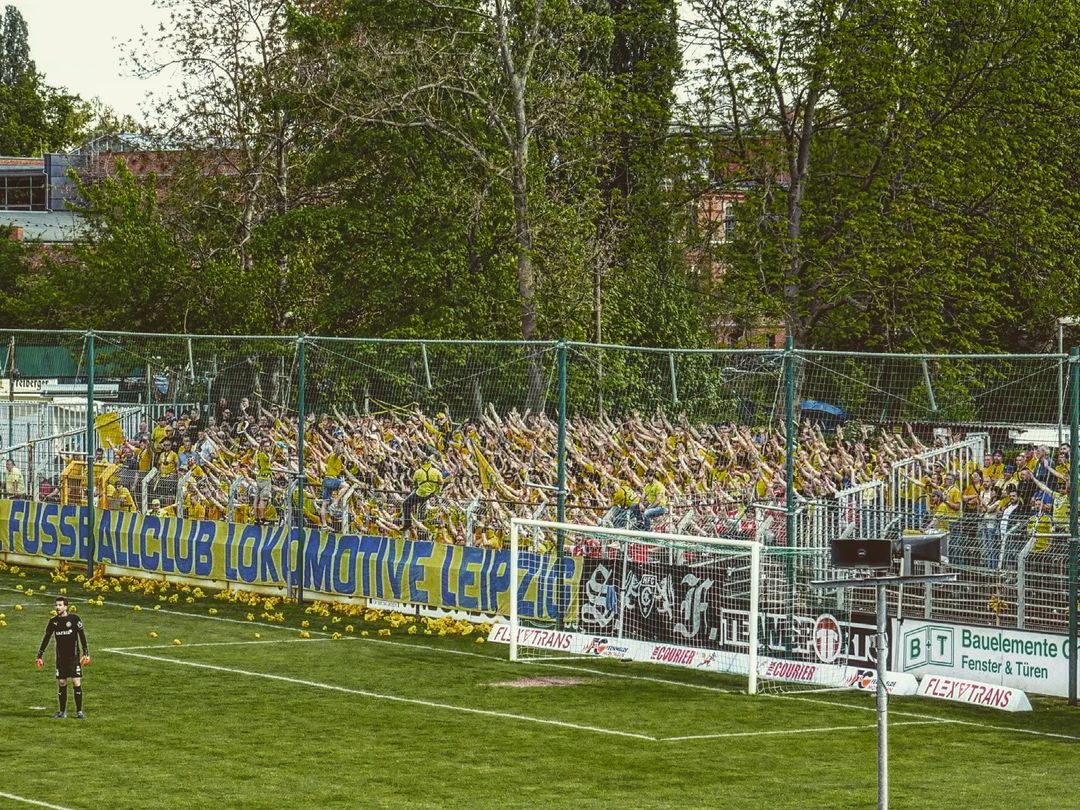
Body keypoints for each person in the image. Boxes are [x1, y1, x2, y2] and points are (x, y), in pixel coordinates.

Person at [36, 596, 90, 719]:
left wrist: (86, 653)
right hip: (61, 658)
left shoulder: (75, 619)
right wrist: (40, 655)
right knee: (62, 682)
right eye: (56, 605)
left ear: (66, 607)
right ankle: (62, 711)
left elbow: (82, 636)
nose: (57, 607)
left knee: (76, 682)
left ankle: (79, 711)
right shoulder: (53, 622)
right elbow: (46, 638)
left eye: (60, 605)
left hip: (73, 657)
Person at [402, 448, 443, 532]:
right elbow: (441, 482)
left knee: (406, 504)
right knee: (424, 502)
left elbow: (415, 483)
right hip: (432, 493)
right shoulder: (436, 471)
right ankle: (421, 517)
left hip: (420, 494)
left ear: (421, 464)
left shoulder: (417, 472)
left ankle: (408, 523)